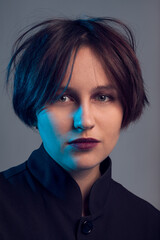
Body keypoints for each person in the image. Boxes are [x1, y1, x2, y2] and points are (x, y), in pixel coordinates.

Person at [0, 17, 159, 239]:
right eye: (63, 97)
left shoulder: (149, 224)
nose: (84, 121)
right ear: (32, 105)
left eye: (103, 97)